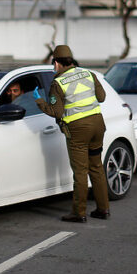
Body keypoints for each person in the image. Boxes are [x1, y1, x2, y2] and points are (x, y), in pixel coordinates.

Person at [35, 44, 110, 223]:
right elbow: (101, 97)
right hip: (97, 125)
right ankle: (103, 209)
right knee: (97, 167)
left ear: (57, 63)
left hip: (78, 131)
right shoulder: (89, 74)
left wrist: (39, 102)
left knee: (80, 172)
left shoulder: (58, 83)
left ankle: (79, 213)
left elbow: (57, 112)